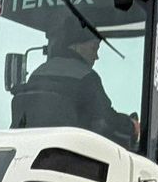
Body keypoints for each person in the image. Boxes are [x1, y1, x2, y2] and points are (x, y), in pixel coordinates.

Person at [17, 16, 139, 148]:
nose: (96, 57)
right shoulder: (86, 77)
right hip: (72, 157)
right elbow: (105, 122)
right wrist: (131, 127)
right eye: (94, 48)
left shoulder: (38, 73)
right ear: (76, 46)